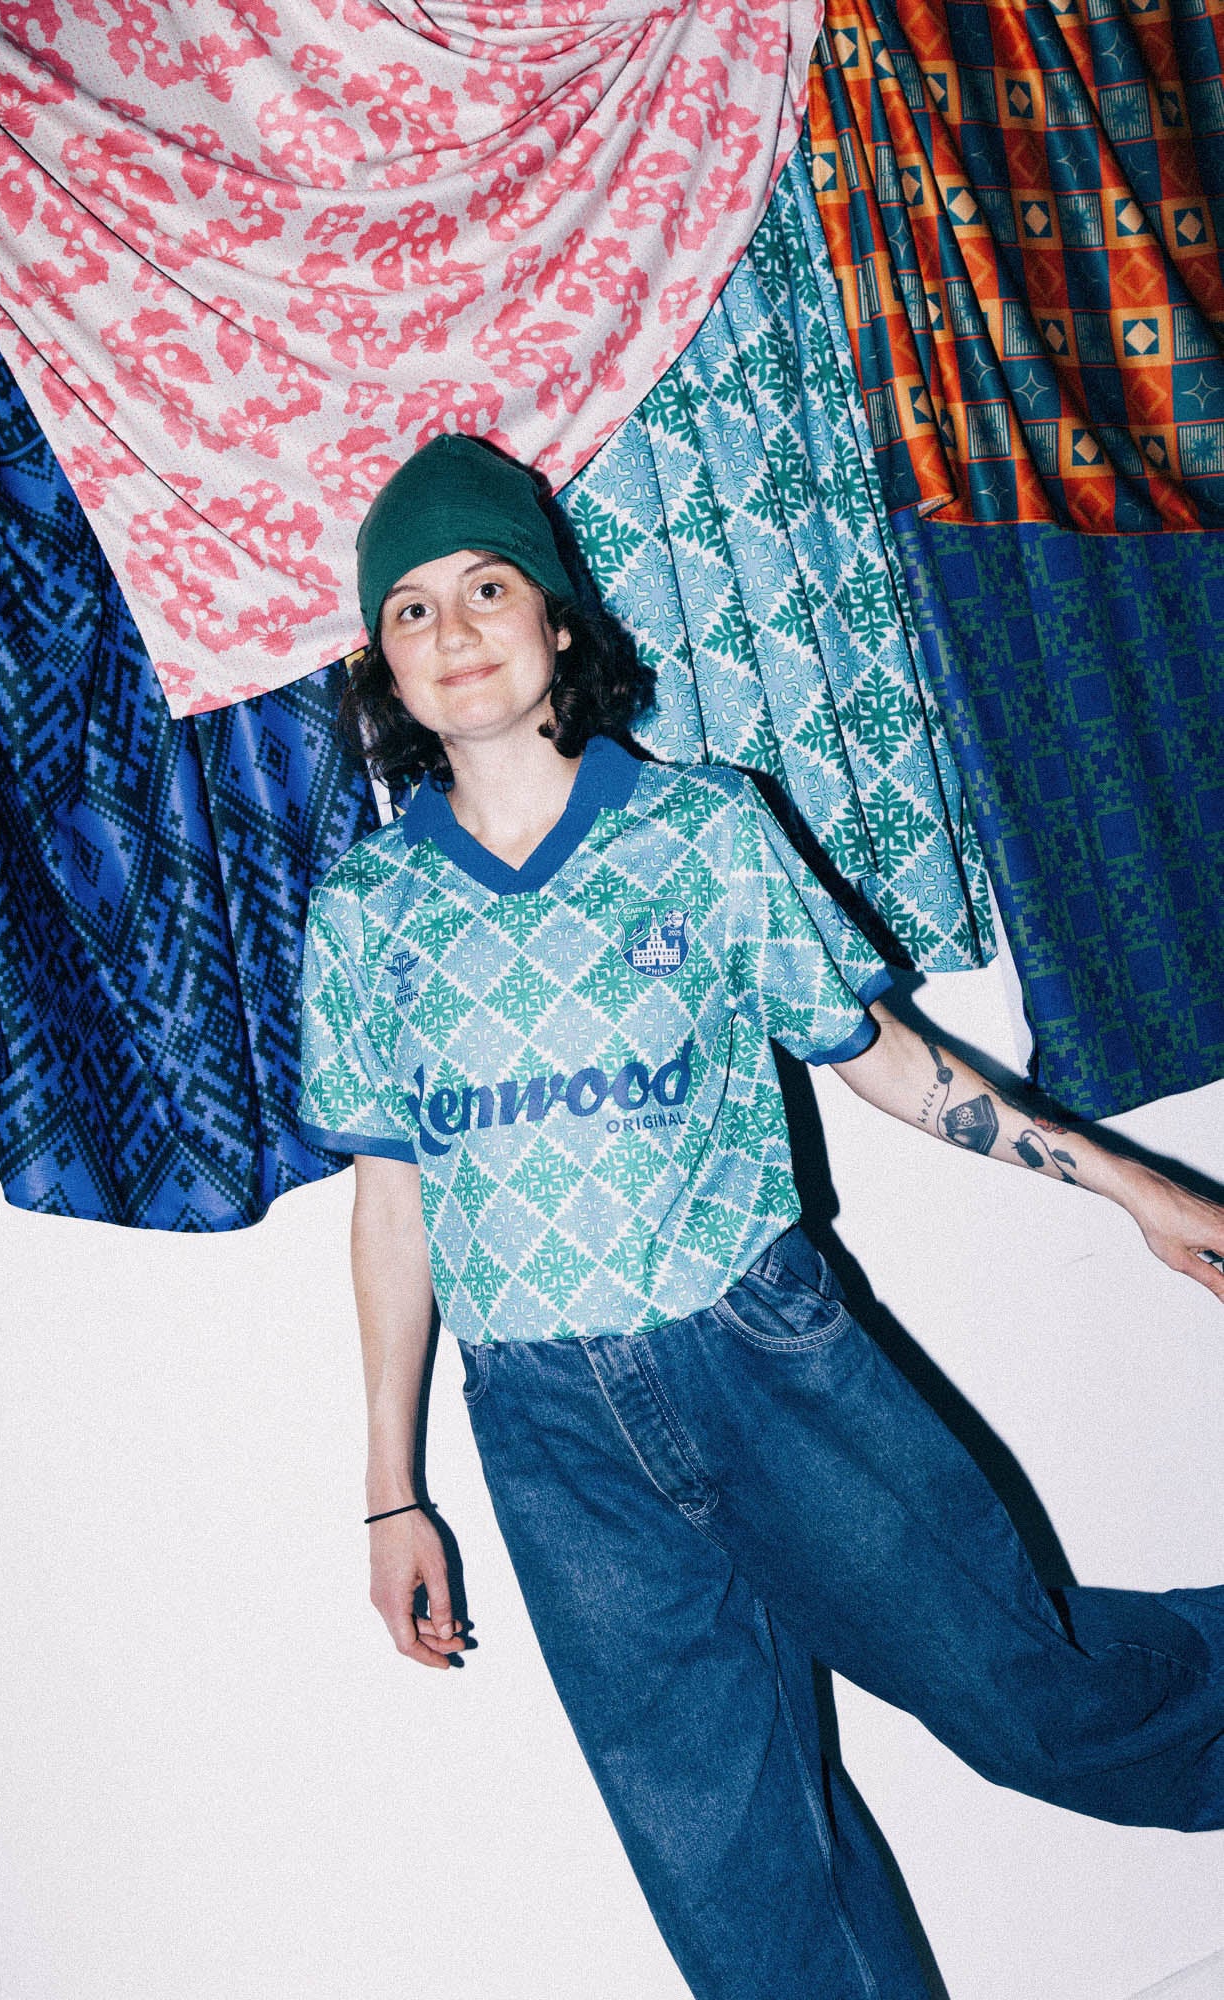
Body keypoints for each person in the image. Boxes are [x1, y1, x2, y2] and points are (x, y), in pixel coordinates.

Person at [299, 433, 1224, 2000]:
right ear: (379, 664)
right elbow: (395, 1202)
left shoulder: (704, 830)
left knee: (1032, 1700)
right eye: (410, 609)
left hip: (763, 1363)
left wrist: (1132, 1185)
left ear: (558, 623)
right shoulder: (363, 915)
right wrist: (391, 1491)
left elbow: (881, 1057)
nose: (451, 629)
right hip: (546, 1429)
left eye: (486, 587)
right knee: (732, 1875)